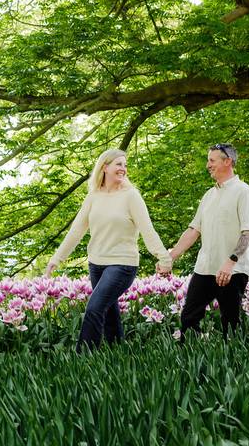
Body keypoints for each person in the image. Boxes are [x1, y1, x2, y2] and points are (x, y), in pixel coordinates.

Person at [45, 148, 172, 352]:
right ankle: (118, 355)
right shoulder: (94, 196)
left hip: (122, 264)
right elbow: (76, 231)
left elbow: (148, 230)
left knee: (94, 308)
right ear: (105, 167)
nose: (123, 169)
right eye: (118, 164)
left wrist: (164, 257)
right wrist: (56, 259)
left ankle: (82, 358)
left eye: (125, 165)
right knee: (110, 314)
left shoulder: (131, 196)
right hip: (96, 264)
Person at [167, 143, 249, 338]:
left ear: (228, 161)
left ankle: (233, 363)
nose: (208, 165)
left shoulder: (244, 191)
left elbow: (248, 232)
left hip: (231, 270)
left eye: (212, 160)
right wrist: (171, 256)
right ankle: (194, 362)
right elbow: (193, 230)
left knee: (230, 324)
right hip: (205, 267)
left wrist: (230, 261)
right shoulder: (209, 195)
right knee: (188, 319)